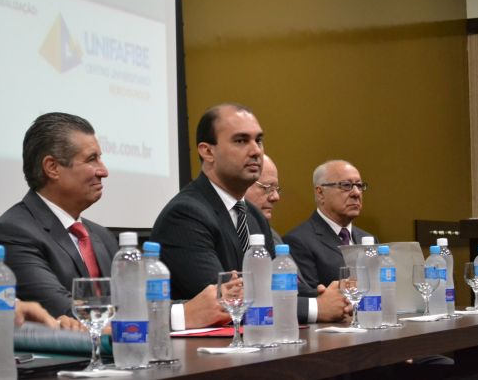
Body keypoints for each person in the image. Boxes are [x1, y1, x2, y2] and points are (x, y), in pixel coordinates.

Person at [0, 112, 229, 330]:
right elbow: (68, 315)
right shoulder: (13, 234)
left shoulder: (100, 236)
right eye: (92, 159)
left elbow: (136, 304)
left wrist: (209, 305)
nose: (104, 171)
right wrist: (180, 316)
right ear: (52, 167)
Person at [151, 104, 350, 323]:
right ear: (207, 152)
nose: (256, 151)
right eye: (241, 140)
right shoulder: (186, 215)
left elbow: (276, 287)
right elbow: (226, 301)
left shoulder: (253, 216)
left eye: (259, 140)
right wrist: (315, 307)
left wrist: (328, 296)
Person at [284, 160, 373, 289]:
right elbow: (309, 295)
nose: (356, 193)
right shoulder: (298, 241)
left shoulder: (368, 239)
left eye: (359, 186)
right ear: (320, 193)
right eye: (346, 185)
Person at [245, 154, 283, 244]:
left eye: (276, 189)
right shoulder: (216, 229)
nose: (276, 197)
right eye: (268, 187)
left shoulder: (272, 237)